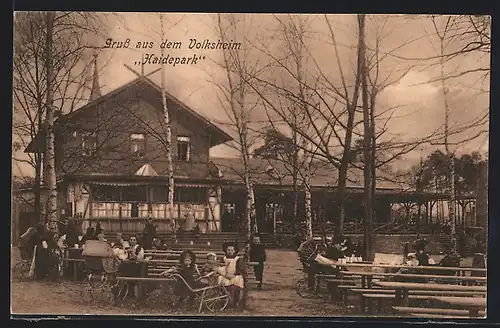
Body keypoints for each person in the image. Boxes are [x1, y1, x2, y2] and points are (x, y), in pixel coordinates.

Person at [217, 241, 246, 309]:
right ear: (225, 251)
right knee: (220, 278)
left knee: (239, 280)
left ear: (235, 251)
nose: (230, 251)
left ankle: (237, 302)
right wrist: (224, 274)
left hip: (234, 276)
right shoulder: (223, 258)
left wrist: (234, 275)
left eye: (231, 250)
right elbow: (220, 267)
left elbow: (240, 269)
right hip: (225, 276)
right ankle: (222, 300)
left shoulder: (237, 259)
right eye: (228, 250)